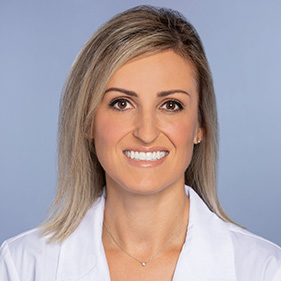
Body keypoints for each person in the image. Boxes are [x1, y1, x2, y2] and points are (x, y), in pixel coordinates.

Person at [0, 5, 281, 281]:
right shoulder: (20, 266)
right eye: (122, 104)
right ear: (87, 122)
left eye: (171, 105)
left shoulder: (265, 269)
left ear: (200, 125)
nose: (146, 133)